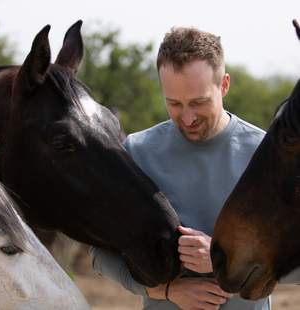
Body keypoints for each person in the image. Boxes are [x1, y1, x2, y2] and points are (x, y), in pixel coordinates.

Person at [91, 26, 270, 310]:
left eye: (198, 103)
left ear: (224, 85)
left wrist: (225, 261)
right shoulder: (136, 153)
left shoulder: (265, 154)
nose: (187, 118)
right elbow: (101, 254)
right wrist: (167, 290)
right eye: (173, 103)